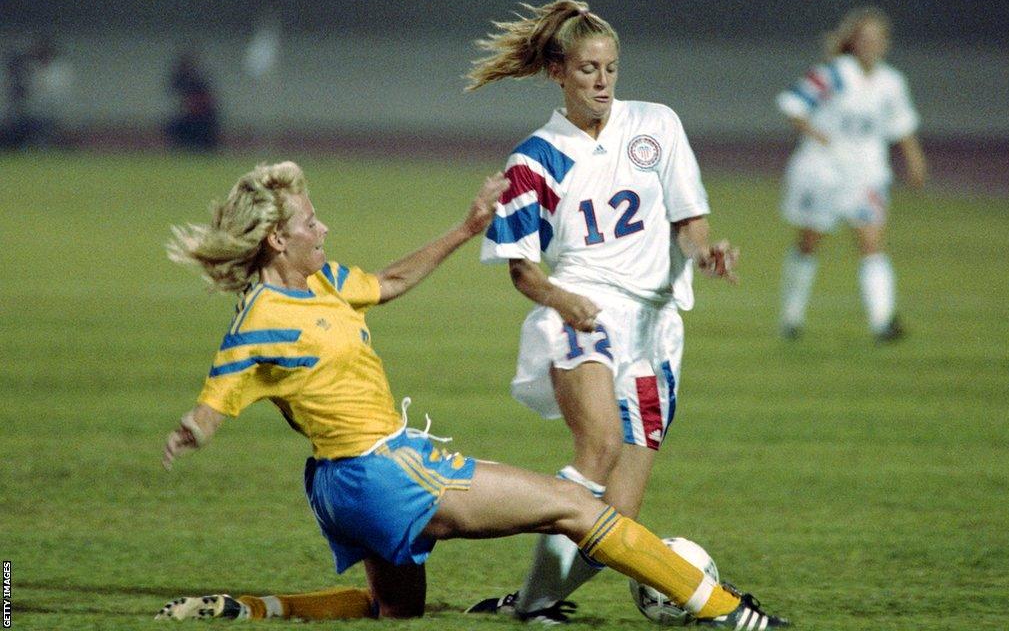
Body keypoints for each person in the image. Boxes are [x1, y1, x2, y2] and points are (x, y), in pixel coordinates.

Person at [155, 161, 787, 628]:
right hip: (384, 471)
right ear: (277, 240)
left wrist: (467, 227)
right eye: (309, 221)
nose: (323, 225)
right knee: (575, 505)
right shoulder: (261, 314)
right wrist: (198, 424)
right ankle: (734, 614)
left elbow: (392, 280)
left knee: (393, 611)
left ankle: (253, 611)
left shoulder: (322, 279)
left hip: (338, 485)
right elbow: (224, 382)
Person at [463, 0, 745, 623]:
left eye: (612, 69)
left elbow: (689, 218)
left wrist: (704, 254)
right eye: (589, 69)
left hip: (654, 331)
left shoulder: (656, 125)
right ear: (558, 71)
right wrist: (562, 299)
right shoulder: (533, 159)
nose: (602, 82)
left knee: (617, 520)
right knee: (597, 446)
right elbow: (522, 270)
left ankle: (531, 594)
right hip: (579, 316)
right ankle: (533, 605)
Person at [776, 7, 927, 343]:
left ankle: (882, 322)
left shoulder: (891, 82)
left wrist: (914, 160)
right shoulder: (833, 74)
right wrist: (817, 134)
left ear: (886, 43)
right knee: (809, 241)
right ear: (853, 42)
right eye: (864, 39)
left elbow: (902, 126)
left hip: (867, 174)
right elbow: (792, 104)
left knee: (872, 241)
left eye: (877, 39)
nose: (871, 45)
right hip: (824, 171)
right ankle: (791, 316)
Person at [165, 50, 220, 151]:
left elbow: (206, 103)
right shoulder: (183, 80)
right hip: (191, 118)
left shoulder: (199, 82)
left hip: (202, 119)